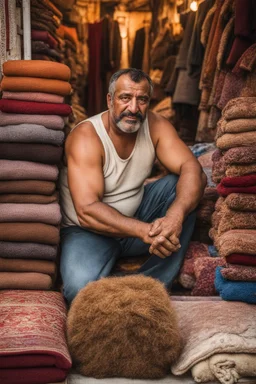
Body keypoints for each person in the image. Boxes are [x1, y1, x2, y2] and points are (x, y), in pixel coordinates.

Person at [59, 68, 207, 303]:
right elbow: (87, 210)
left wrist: (174, 217)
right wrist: (146, 232)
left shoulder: (156, 125)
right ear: (110, 100)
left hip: (138, 216)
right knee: (78, 289)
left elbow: (194, 170)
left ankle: (153, 285)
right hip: (89, 231)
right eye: (125, 98)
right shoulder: (87, 137)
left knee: (183, 186)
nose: (133, 108)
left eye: (142, 100)